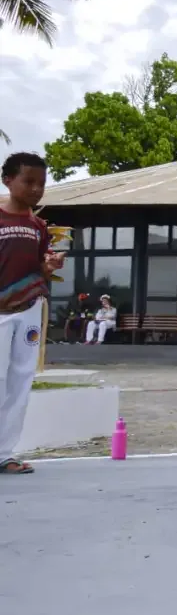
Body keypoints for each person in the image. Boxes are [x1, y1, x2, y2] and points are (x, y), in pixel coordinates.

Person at [1, 152, 64, 475]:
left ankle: (5, 453)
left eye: (41, 183)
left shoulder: (39, 226)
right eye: (28, 181)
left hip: (29, 309)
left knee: (20, 381)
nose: (36, 189)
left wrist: (49, 266)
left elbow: (39, 267)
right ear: (7, 180)